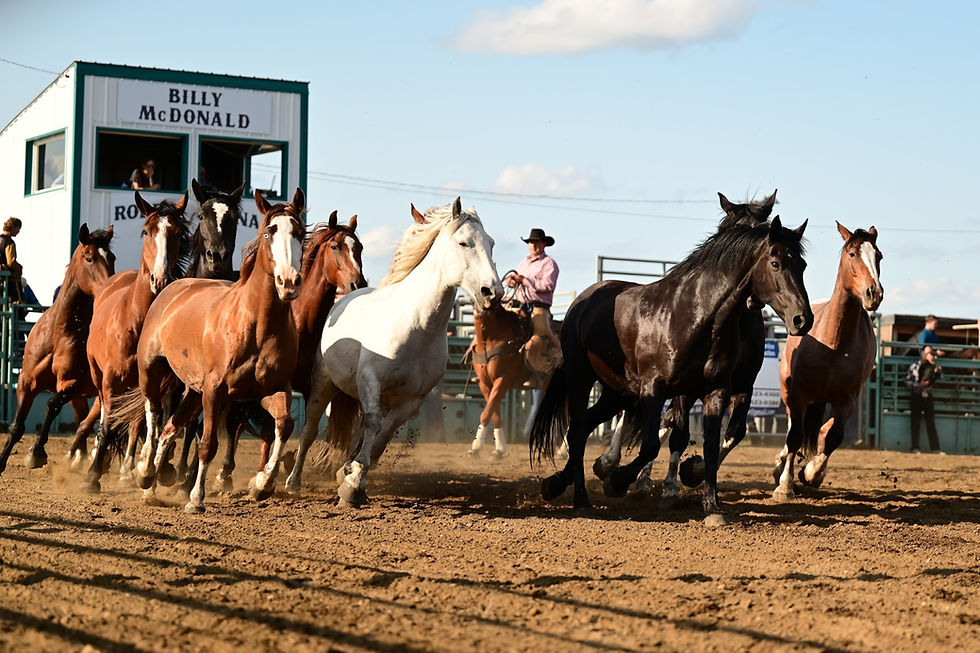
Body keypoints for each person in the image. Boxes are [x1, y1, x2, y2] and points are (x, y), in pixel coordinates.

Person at [506, 228, 560, 374]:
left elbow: (547, 286)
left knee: (541, 337)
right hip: (520, 304)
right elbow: (514, 278)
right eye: (531, 242)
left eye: (537, 242)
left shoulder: (549, 263)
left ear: (544, 244)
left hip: (539, 308)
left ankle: (546, 366)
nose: (533, 245)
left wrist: (525, 280)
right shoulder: (524, 263)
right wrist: (511, 281)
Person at [905, 345, 943, 453]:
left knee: (930, 423)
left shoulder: (933, 366)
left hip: (927, 396)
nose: (928, 355)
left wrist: (934, 365)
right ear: (921, 353)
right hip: (916, 396)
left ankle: (935, 448)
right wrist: (918, 385)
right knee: (915, 422)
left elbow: (941, 376)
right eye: (927, 353)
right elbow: (907, 381)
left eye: (930, 353)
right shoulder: (914, 366)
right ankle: (915, 447)